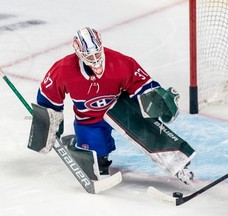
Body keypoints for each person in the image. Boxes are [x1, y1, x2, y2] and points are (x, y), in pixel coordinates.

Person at [34, 27, 195, 185]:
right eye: (89, 56)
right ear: (79, 53)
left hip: (119, 108)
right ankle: (77, 145)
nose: (95, 59)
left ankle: (179, 164)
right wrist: (48, 122)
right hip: (89, 120)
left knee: (149, 129)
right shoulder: (63, 69)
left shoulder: (119, 62)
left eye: (97, 53)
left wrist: (159, 100)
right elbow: (48, 98)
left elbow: (143, 85)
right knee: (97, 163)